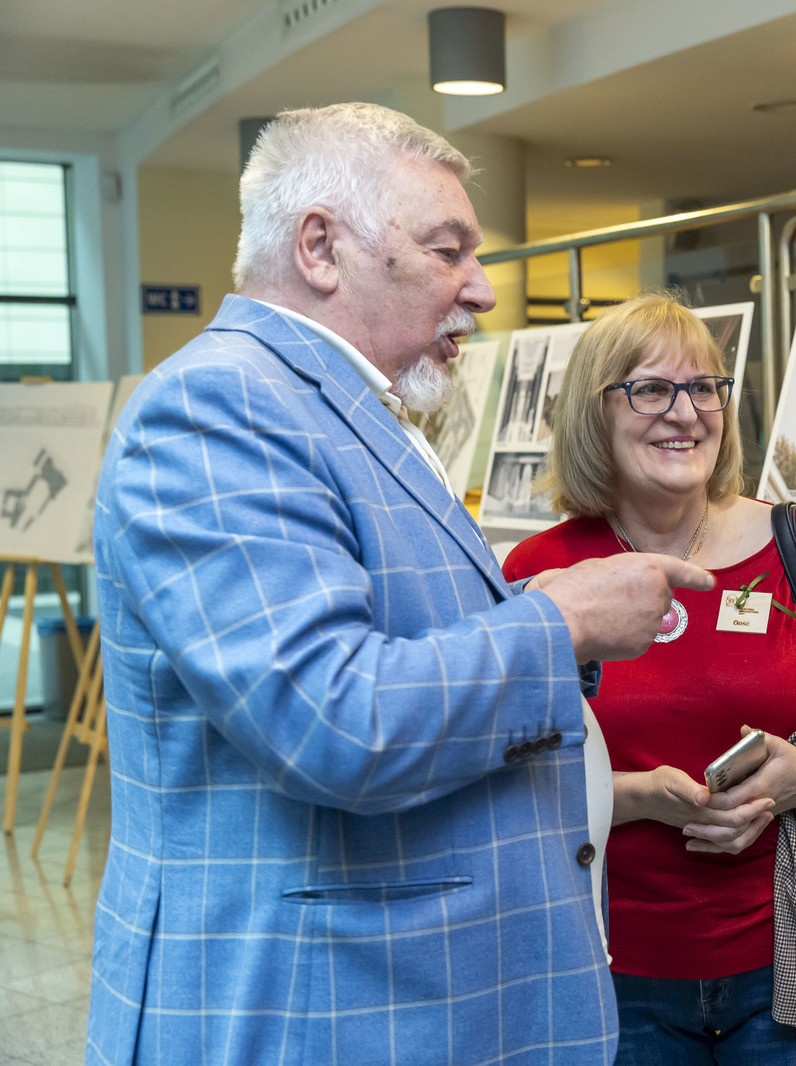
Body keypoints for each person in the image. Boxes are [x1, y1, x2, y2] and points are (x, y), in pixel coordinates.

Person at [88, 103, 712, 1066]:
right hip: (322, 1012)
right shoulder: (219, 405)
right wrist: (561, 623)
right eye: (447, 250)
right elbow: (333, 719)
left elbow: (394, 646)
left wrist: (546, 619)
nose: (483, 289)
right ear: (320, 248)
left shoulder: (348, 410)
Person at [501, 293, 796, 1066]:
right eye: (651, 389)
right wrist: (634, 797)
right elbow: (499, 768)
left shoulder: (795, 544)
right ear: (594, 412)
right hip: (606, 968)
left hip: (794, 966)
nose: (685, 413)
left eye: (703, 387)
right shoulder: (545, 572)